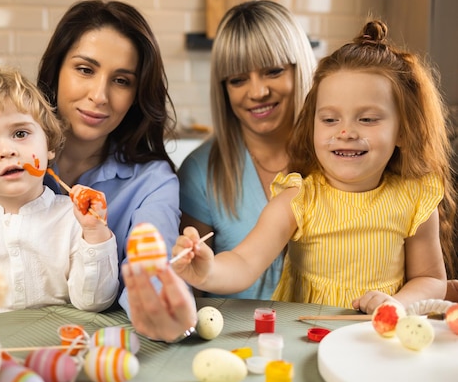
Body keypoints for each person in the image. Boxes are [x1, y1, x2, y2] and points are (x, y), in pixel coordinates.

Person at [0, 0, 193, 341]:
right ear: (55, 70)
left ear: (137, 95)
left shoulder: (152, 181)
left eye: (122, 80)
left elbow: (151, 278)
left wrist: (159, 306)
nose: (100, 95)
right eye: (85, 69)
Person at [172, 20, 457, 314]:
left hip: (375, 339)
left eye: (368, 119)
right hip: (303, 337)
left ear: (402, 131)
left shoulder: (416, 198)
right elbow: (245, 262)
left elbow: (430, 278)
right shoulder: (297, 199)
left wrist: (396, 304)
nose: (345, 132)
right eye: (330, 120)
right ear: (312, 126)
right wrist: (207, 271)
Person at [0, 64, 119, 312]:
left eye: (20, 133)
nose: (7, 151)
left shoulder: (72, 217)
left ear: (48, 145)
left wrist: (95, 233)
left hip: (53, 345)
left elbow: (94, 303)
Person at [176, 0, 317, 299]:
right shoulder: (200, 172)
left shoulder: (338, 157)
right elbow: (195, 292)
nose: (257, 92)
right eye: (238, 79)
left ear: (300, 68)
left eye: (273, 71)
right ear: (223, 88)